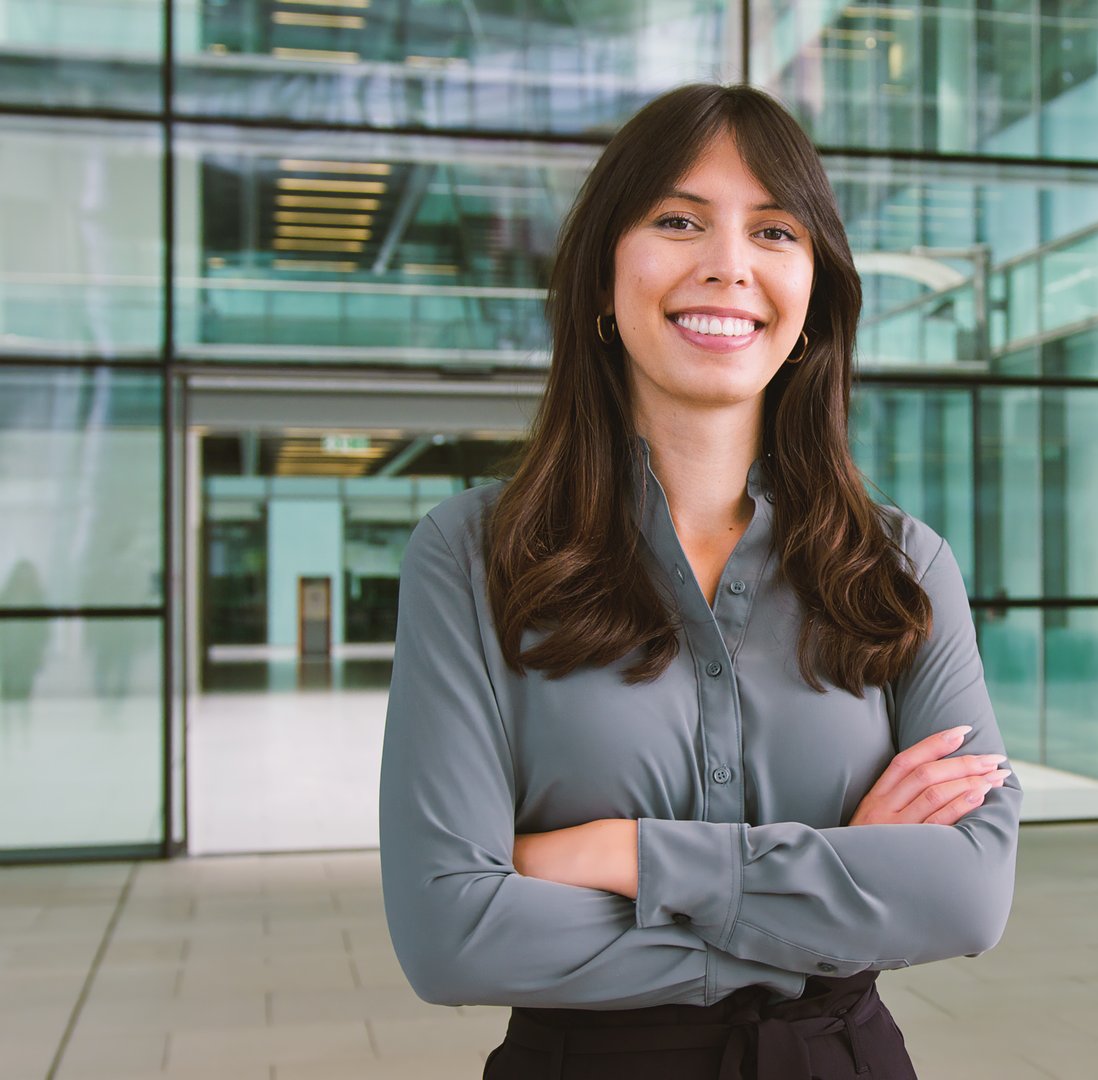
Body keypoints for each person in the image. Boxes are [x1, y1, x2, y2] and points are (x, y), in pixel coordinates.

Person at [378, 83, 1021, 1080]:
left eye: (775, 231)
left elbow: (967, 897)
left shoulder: (899, 568)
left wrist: (623, 856)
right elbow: (453, 932)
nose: (728, 265)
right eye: (678, 220)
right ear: (602, 276)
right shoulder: (472, 554)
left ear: (813, 294)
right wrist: (837, 885)